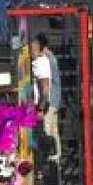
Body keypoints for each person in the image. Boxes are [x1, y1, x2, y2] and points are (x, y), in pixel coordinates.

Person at [29, 34, 62, 174]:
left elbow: (45, 86)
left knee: (47, 131)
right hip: (54, 100)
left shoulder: (44, 60)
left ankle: (49, 164)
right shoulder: (51, 58)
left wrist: (42, 107)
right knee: (53, 131)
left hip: (49, 101)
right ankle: (55, 160)